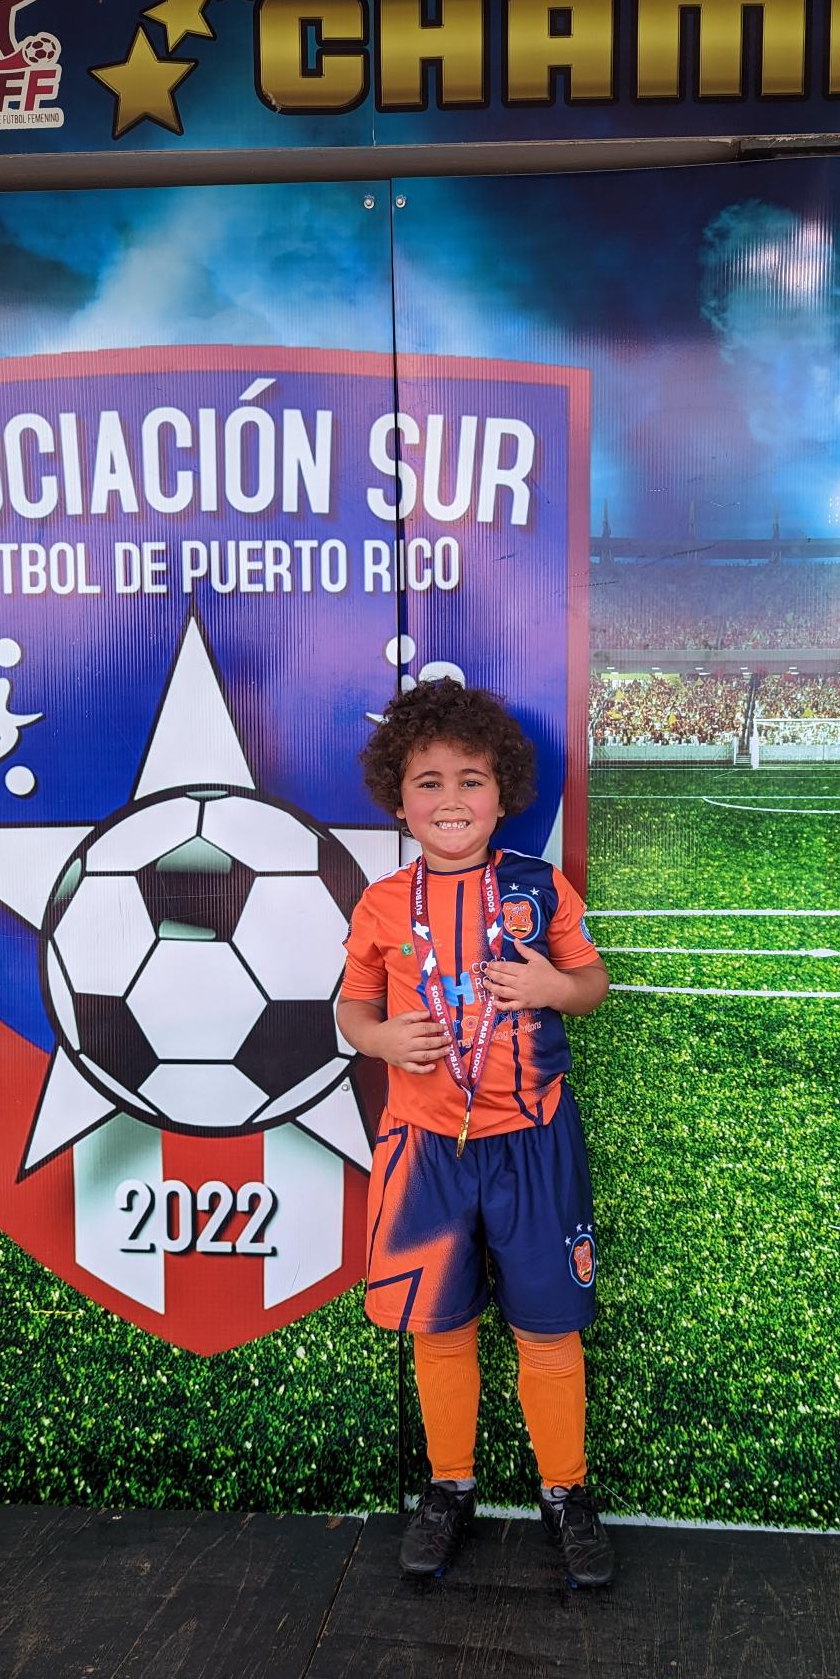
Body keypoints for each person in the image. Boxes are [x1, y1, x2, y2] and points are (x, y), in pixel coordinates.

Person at [337, 680, 615, 1586]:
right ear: (398, 795)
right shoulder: (383, 904)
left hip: (533, 1141)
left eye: (471, 780)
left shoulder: (540, 889)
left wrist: (551, 990)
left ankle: (565, 1493)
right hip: (423, 1149)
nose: (450, 800)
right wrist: (379, 1037)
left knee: (549, 1331)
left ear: (504, 794)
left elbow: (590, 984)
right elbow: (351, 1007)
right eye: (428, 782)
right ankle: (449, 1486)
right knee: (439, 1326)